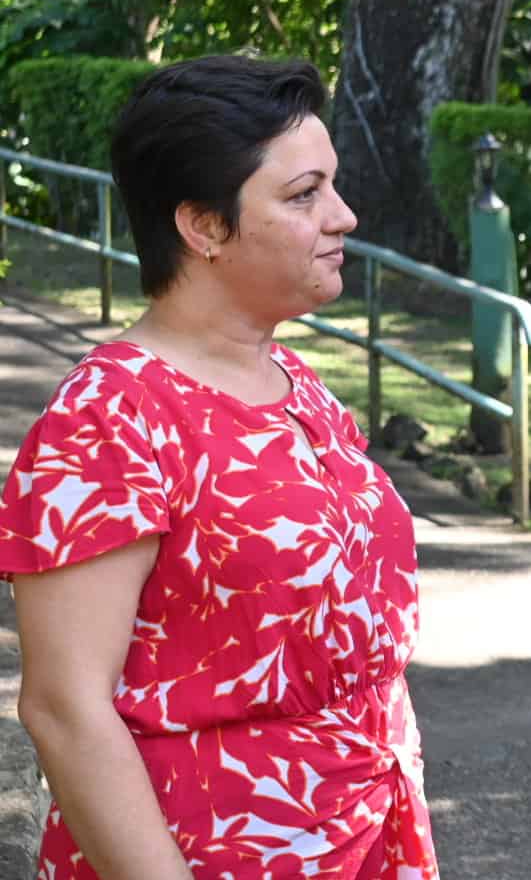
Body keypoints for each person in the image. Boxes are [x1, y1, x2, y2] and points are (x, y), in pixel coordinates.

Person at [0, 56, 438, 878]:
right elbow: (64, 708)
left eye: (331, 187)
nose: (343, 216)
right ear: (203, 226)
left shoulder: (295, 384)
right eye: (304, 195)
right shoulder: (112, 416)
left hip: (362, 830)